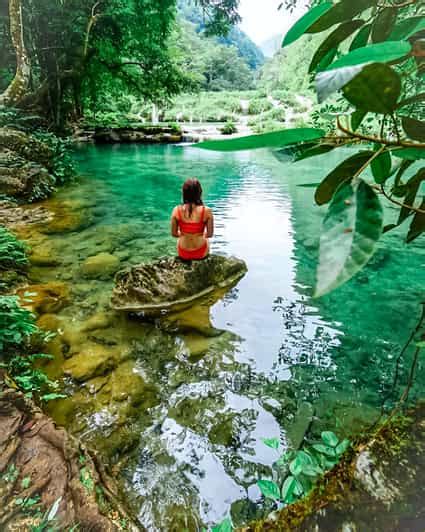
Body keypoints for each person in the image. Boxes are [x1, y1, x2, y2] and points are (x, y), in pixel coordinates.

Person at [171, 178, 214, 260]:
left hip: (183, 252)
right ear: (199, 193)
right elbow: (209, 234)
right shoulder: (207, 211)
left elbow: (174, 234)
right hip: (200, 252)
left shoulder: (176, 210)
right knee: (206, 240)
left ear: (184, 193)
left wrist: (184, 234)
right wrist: (198, 234)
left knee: (180, 240)